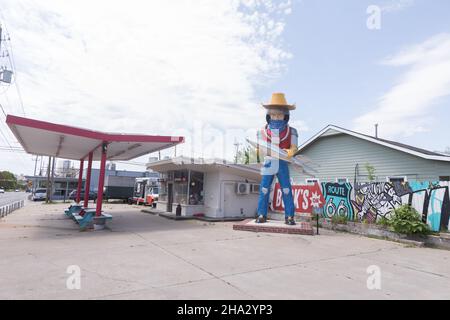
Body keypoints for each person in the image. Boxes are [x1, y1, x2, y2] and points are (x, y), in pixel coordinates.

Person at [256, 93, 298, 226]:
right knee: (264, 189)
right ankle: (262, 214)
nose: (276, 117)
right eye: (273, 115)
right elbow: (259, 147)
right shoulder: (262, 132)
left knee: (286, 189)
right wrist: (258, 150)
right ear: (268, 116)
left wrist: (291, 151)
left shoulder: (291, 131)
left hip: (282, 163)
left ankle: (289, 216)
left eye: (279, 115)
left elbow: (294, 147)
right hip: (269, 161)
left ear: (285, 116)